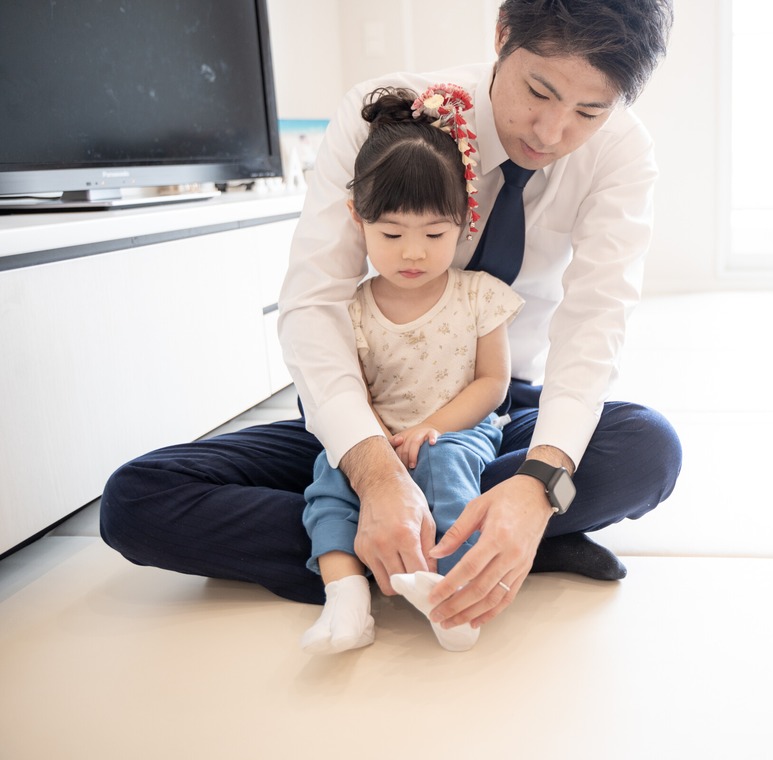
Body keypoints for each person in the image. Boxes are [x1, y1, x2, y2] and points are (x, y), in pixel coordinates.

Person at [100, 0, 682, 636]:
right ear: (501, 35)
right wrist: (373, 471)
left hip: (489, 413)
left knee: (647, 450)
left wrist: (539, 484)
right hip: (365, 411)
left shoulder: (622, 154)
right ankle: (455, 551)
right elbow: (314, 301)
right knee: (136, 500)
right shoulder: (386, 114)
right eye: (539, 91)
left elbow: (596, 324)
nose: (550, 131)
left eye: (589, 112)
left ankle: (376, 551)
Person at [300, 85, 523, 655]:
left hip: (458, 429)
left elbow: (493, 384)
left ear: (464, 221)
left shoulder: (480, 297)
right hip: (376, 442)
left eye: (435, 235)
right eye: (392, 235)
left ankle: (449, 589)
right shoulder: (349, 311)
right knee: (329, 482)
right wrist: (374, 444)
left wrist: (433, 429)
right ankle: (346, 599)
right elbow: (350, 392)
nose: (414, 254)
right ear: (358, 219)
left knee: (446, 466)